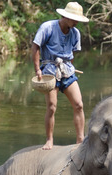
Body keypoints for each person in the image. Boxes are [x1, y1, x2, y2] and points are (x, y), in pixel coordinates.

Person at [31, 2, 89, 150]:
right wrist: (38, 69)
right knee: (51, 107)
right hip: (50, 70)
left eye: (77, 20)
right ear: (65, 16)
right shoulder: (48, 27)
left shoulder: (75, 33)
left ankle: (80, 139)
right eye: (73, 19)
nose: (76, 22)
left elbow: (72, 54)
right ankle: (49, 139)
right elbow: (36, 46)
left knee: (79, 105)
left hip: (67, 70)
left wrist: (68, 66)